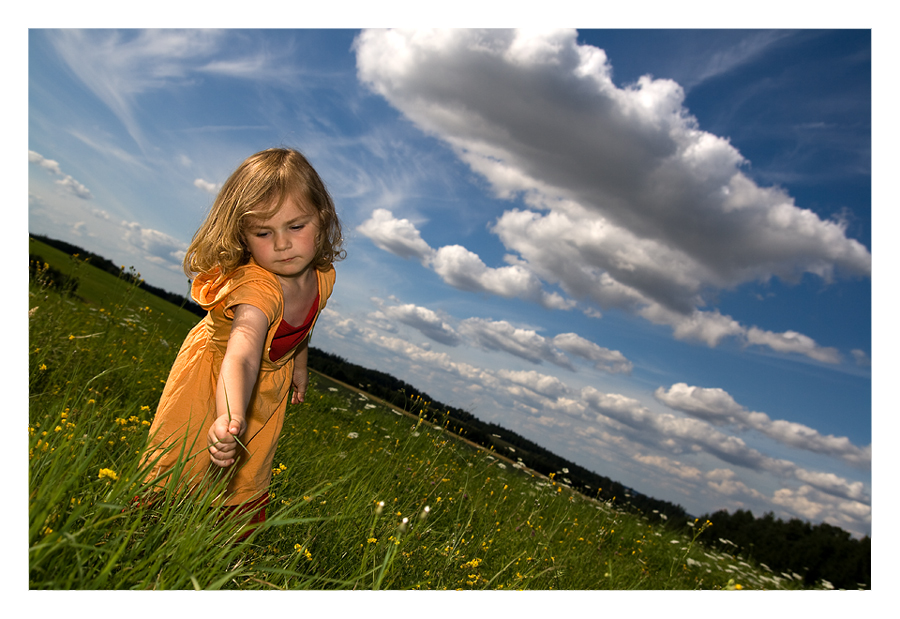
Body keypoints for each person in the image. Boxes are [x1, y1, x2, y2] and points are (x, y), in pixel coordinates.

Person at [141, 147, 344, 532]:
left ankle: (219, 554)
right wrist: (231, 415)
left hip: (267, 392)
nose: (282, 244)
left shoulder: (323, 276)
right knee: (187, 463)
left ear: (322, 218)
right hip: (215, 382)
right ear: (243, 237)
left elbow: (306, 321)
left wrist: (299, 361)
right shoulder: (257, 292)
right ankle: (144, 536)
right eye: (264, 233)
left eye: (295, 227)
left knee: (248, 472)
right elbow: (243, 356)